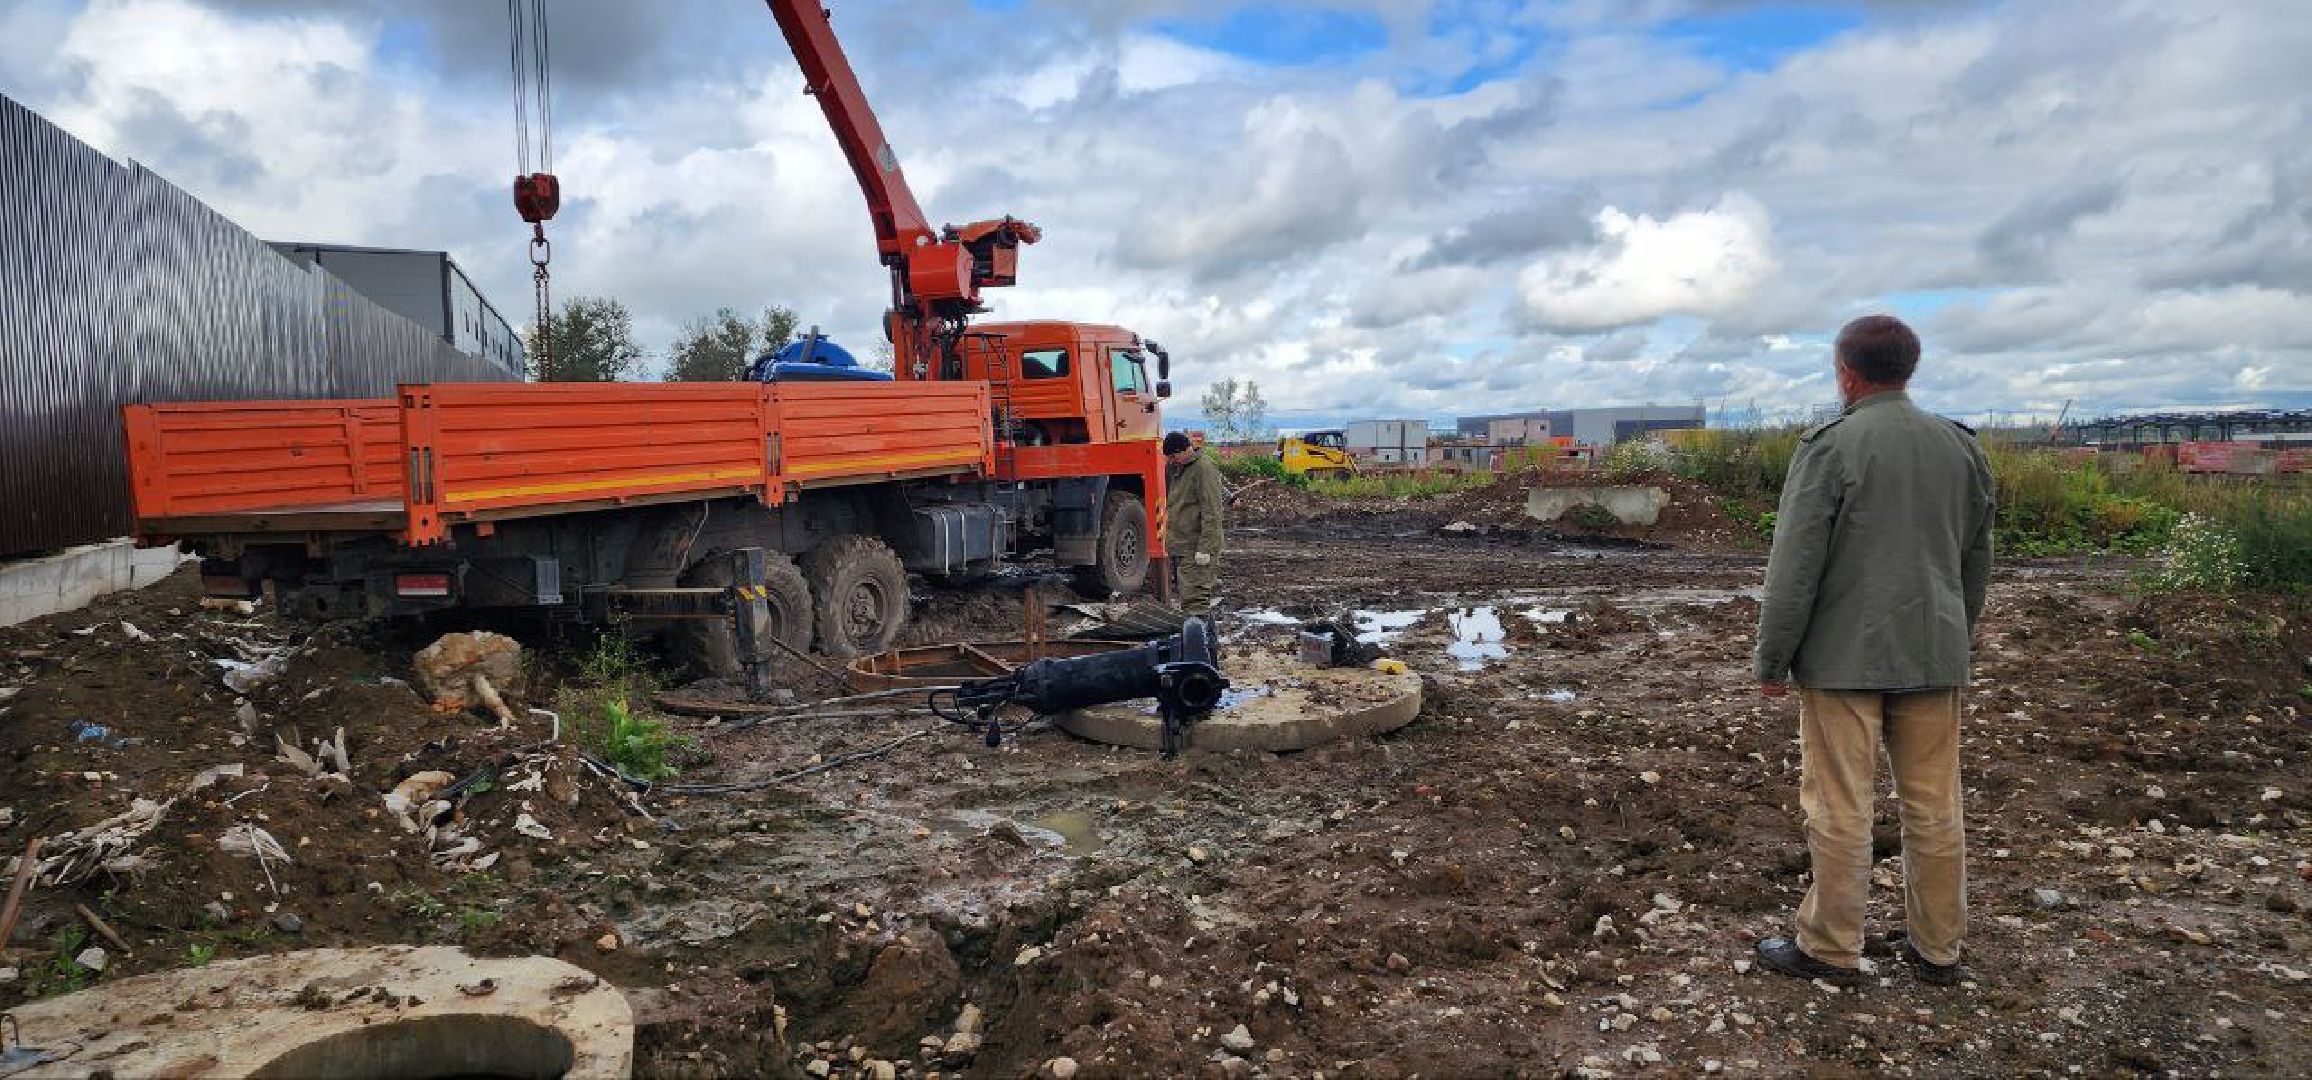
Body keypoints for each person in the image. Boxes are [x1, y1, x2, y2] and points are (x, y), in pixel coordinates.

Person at [1752, 314, 1995, 988]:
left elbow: (1795, 565)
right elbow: (1976, 561)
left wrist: (1773, 660)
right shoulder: (1960, 448)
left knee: (1839, 804)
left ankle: (1830, 945)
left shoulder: (1831, 447)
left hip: (1842, 662)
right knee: (1934, 804)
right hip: (1933, 654)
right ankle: (1939, 948)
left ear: (1846, 372)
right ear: (1907, 369)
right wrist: (1955, 634)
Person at [1164, 431, 1226, 612]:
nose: (1171, 460)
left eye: (1173, 456)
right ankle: (1204, 636)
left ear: (1183, 450)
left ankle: (1199, 638)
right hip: (1184, 545)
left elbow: (1212, 511)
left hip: (1196, 546)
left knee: (1195, 600)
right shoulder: (1181, 468)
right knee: (1190, 596)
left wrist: (1205, 549)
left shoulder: (1203, 469)